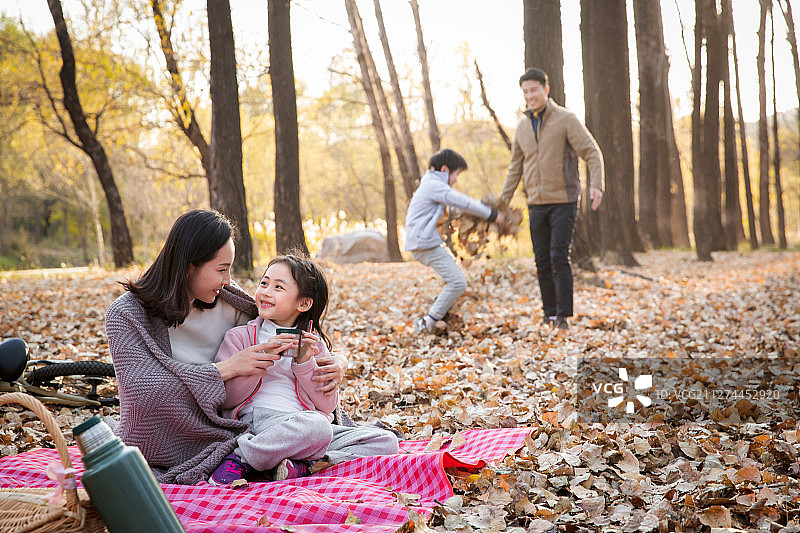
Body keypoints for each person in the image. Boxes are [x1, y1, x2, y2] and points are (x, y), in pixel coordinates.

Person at [105, 209, 349, 485]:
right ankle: (253, 459)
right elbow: (146, 394)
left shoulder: (229, 300)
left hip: (270, 425)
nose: (228, 280)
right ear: (189, 266)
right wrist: (225, 369)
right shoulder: (126, 315)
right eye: (222, 269)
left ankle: (291, 462)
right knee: (310, 430)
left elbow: (283, 322)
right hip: (200, 431)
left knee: (356, 437)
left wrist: (337, 361)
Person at [211, 253, 399, 485]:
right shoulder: (240, 337)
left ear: (303, 303)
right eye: (264, 283)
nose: (266, 292)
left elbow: (327, 405)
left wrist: (304, 364)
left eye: (278, 287)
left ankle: (303, 466)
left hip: (307, 426)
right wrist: (259, 363)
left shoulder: (314, 344)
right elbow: (226, 400)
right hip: (263, 423)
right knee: (318, 427)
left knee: (386, 441)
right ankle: (240, 459)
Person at [499, 68, 604, 331]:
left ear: (546, 89)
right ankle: (548, 313)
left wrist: (596, 186)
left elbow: (591, 152)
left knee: (558, 256)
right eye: (525, 92)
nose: (529, 96)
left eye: (534, 90)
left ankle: (563, 316)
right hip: (535, 202)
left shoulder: (566, 120)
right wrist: (502, 202)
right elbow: (515, 168)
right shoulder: (522, 127)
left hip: (563, 200)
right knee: (542, 259)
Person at [405, 148, 505, 333]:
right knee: (458, 282)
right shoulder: (434, 185)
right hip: (425, 244)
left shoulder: (430, 184)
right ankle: (427, 322)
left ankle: (436, 317)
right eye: (456, 173)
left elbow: (451, 210)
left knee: (455, 280)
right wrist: (491, 214)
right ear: (445, 170)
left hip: (426, 242)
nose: (457, 179)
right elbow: (462, 201)